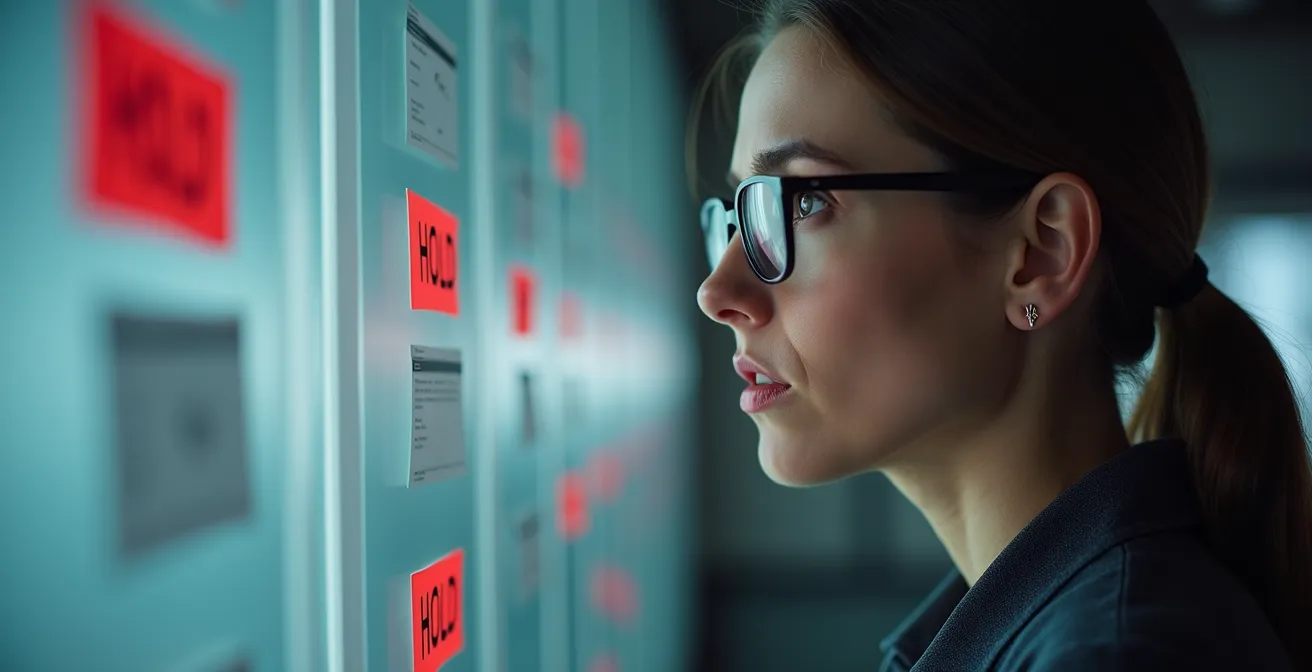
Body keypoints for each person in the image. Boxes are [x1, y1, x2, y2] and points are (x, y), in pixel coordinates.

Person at [691, 1, 1312, 670]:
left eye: (802, 201)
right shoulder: (1094, 623)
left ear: (1041, 253)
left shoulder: (1118, 654)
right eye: (736, 216)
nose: (718, 293)